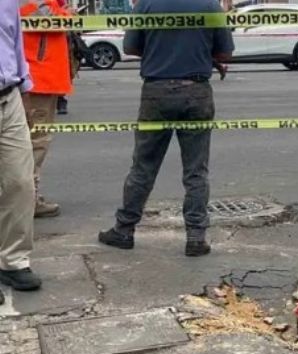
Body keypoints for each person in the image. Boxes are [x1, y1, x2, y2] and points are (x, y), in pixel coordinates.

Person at [98, 0, 234, 257]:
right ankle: (196, 237)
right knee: (196, 171)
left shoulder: (146, 4)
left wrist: (161, 52)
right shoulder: (209, 5)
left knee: (143, 166)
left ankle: (124, 229)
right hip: (196, 91)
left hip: (156, 91)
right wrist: (200, 56)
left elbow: (130, 47)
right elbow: (225, 53)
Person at [0, 3, 43, 298]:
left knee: (20, 182)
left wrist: (25, 90)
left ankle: (13, 261)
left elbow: (15, 43)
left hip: (9, 96)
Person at [19, 0, 73, 218]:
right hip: (39, 80)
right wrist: (68, 15)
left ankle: (23, 197)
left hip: (37, 79)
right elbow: (52, 21)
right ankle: (28, 200)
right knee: (36, 143)